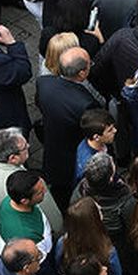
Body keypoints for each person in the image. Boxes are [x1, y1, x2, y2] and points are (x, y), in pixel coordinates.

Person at [33, 47, 101, 209]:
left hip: (52, 145)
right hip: (72, 151)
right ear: (82, 74)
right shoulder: (86, 102)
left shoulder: (44, 83)